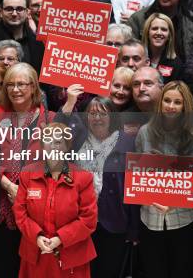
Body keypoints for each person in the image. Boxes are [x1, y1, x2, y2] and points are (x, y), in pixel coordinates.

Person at [61, 96, 139, 278]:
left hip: (113, 221)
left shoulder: (128, 143)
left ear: (112, 116)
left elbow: (133, 189)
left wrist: (134, 228)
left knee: (108, 271)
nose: (97, 118)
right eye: (92, 113)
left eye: (103, 113)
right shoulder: (76, 139)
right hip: (77, 219)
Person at [0, 62, 54, 277]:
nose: (15, 89)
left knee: (31, 268)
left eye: (21, 84)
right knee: (3, 266)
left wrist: (24, 191)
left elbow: (54, 162)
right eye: (10, 84)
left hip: (36, 209)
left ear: (34, 87)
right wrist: (7, 184)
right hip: (0, 204)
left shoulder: (49, 120)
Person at [13, 122, 98, 277]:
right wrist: (37, 236)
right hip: (36, 252)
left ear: (66, 147)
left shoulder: (83, 178)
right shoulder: (27, 174)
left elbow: (88, 219)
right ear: (42, 146)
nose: (53, 146)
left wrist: (60, 238)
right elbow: (20, 213)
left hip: (72, 255)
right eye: (48, 141)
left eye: (58, 142)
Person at [135, 81, 193, 278]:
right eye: (167, 100)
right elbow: (137, 173)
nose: (171, 106)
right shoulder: (144, 132)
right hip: (150, 219)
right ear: (160, 102)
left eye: (177, 102)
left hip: (183, 220)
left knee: (182, 271)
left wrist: (176, 199)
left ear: (185, 106)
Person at [141, 13, 183, 82]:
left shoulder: (176, 64)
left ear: (169, 35)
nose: (159, 33)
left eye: (164, 29)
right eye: (154, 29)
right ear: (147, 32)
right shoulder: (137, 57)